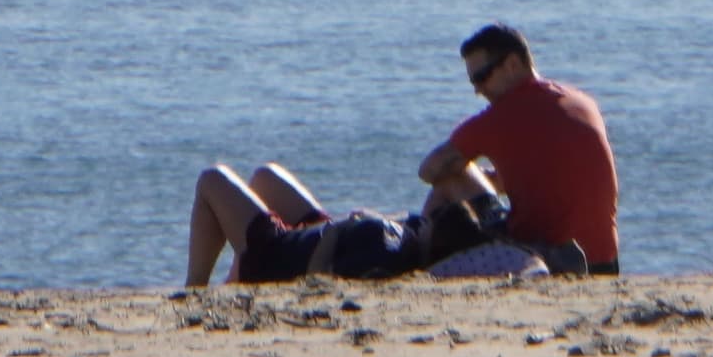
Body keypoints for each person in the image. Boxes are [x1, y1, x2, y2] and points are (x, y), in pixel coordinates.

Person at [420, 23, 620, 275]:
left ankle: (413, 257)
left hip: (548, 259)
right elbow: (546, 178)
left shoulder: (500, 117)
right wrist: (488, 179)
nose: (477, 90)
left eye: (482, 78)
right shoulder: (581, 102)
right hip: (605, 263)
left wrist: (466, 171)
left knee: (449, 180)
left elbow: (428, 169)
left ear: (513, 64)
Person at [184, 159, 508, 289]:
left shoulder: (388, 250)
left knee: (211, 178)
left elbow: (328, 274)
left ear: (436, 230)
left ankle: (194, 288)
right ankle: (230, 281)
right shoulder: (409, 241)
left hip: (279, 253)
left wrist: (345, 228)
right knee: (266, 175)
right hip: (321, 234)